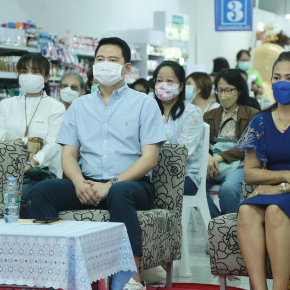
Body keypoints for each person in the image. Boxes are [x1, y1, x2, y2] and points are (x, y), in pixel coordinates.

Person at [27, 37, 167, 290]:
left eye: (113, 60)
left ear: (126, 68)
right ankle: (51, 271)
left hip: (132, 185)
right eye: (100, 60)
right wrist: (79, 183)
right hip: (89, 182)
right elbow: (68, 155)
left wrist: (112, 183)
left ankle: (129, 279)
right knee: (42, 190)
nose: (105, 65)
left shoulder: (144, 103)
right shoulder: (80, 106)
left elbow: (150, 158)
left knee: (120, 191)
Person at [236, 51, 290, 290]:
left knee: (275, 211)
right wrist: (284, 178)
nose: (282, 83)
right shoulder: (260, 120)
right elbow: (251, 173)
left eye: (289, 77)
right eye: (277, 77)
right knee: (246, 211)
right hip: (277, 187)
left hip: (280, 192)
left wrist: (281, 187)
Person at [0, 53, 65, 218]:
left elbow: (54, 144)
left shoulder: (55, 107)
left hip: (43, 171)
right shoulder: (6, 105)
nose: (29, 76)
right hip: (9, 171)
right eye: (23, 71)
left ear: (47, 77)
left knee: (18, 198)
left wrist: (30, 163)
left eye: (35, 71)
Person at [204, 69, 258, 219]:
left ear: (239, 90)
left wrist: (218, 158)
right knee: (191, 187)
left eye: (228, 90)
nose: (223, 94)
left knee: (229, 189)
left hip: (239, 162)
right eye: (220, 90)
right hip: (211, 163)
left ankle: (231, 230)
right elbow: (202, 140)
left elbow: (247, 146)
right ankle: (216, 225)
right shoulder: (209, 115)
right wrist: (208, 157)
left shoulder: (252, 115)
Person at [154, 61, 204, 196]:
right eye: (159, 80)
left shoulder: (192, 112)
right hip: (148, 171)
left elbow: (181, 151)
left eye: (169, 81)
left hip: (183, 175)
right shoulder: (148, 110)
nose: (163, 85)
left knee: (145, 191)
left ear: (181, 86)